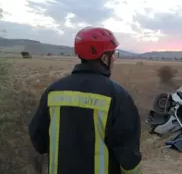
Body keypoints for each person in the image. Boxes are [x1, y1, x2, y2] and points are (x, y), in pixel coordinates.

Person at [28, 27, 142, 174]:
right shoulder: (118, 96)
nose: (114, 59)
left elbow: (39, 141)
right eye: (113, 54)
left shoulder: (53, 91)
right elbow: (129, 158)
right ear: (104, 58)